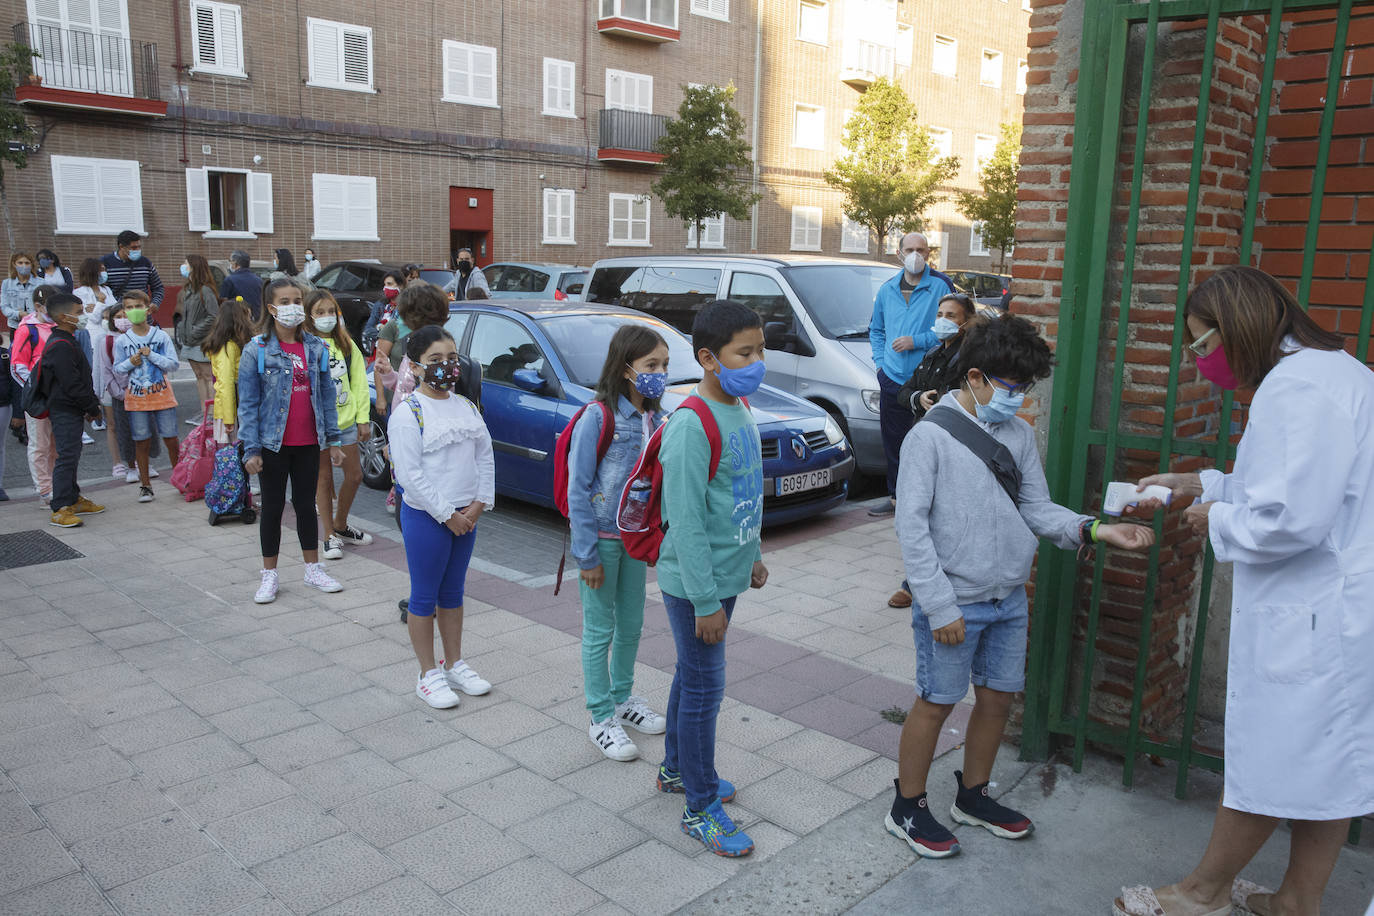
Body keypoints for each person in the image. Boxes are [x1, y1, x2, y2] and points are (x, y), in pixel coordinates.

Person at [1113, 266, 1374, 916]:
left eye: (1204, 346)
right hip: (1340, 612)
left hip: (1314, 614)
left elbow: (1294, 519)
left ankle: (1204, 892)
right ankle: (1297, 901)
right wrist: (1201, 483)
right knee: (1328, 767)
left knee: (1273, 756)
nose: (1200, 362)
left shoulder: (1297, 392)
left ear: (1240, 328)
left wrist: (1216, 518)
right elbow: (1289, 483)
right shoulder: (1334, 373)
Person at [887, 315, 1153, 860]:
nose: (1020, 398)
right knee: (936, 702)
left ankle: (974, 796)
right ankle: (907, 806)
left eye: (1027, 388)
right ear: (978, 377)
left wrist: (1094, 528)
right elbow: (911, 530)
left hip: (1008, 597)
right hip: (953, 600)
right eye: (1013, 387)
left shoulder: (1018, 434)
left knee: (998, 699)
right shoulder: (929, 437)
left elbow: (1034, 506)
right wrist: (938, 606)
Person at [655, 299, 770, 857]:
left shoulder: (739, 407)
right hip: (696, 585)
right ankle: (699, 807)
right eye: (744, 353)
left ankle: (677, 769)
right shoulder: (690, 425)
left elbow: (743, 487)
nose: (756, 360)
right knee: (704, 689)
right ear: (708, 358)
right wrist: (705, 601)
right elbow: (687, 519)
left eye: (759, 349)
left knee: (691, 677)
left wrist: (753, 555)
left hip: (726, 575)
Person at [568, 324, 670, 761]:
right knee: (599, 630)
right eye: (651, 365)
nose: (660, 373)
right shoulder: (598, 416)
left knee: (631, 626)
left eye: (665, 365)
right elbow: (578, 488)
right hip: (602, 543)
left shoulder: (657, 418)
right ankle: (600, 715)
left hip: (635, 542)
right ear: (626, 368)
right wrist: (586, 554)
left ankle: (623, 698)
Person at [389, 324, 494, 708]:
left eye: (452, 359)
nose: (447, 367)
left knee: (453, 593)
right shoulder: (409, 413)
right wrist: (448, 514)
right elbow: (409, 476)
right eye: (435, 360)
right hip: (428, 519)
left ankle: (455, 663)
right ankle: (427, 673)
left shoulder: (465, 406)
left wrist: (479, 504)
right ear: (415, 367)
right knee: (424, 596)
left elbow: (485, 456)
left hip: (467, 517)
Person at [237, 278, 344, 604]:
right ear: (271, 308)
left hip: (308, 443)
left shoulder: (316, 347)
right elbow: (248, 403)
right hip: (272, 444)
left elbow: (326, 396)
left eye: (297, 300)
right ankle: (269, 574)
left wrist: (334, 440)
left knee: (305, 505)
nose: (293, 307)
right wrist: (251, 448)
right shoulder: (256, 349)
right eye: (285, 301)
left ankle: (313, 568)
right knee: (271, 507)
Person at [888, 292, 981, 609]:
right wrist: (920, 399)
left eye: (951, 315)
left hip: (953, 443)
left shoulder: (969, 358)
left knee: (942, 515)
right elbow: (904, 392)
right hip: (922, 441)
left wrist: (941, 401)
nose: (943, 320)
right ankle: (919, 578)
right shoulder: (932, 354)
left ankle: (918, 584)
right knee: (917, 512)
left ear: (966, 322)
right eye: (940, 314)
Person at [868, 232, 954, 517]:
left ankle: (930, 501)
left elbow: (952, 328)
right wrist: (880, 366)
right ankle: (895, 498)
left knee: (930, 442)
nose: (916, 254)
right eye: (910, 249)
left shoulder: (941, 286)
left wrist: (915, 341)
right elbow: (876, 330)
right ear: (899, 253)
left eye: (921, 249)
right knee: (894, 441)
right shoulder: (887, 288)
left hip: (929, 378)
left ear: (929, 253)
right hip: (892, 377)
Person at [303, 289, 373, 560]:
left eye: (331, 311)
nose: (327, 317)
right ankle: (328, 536)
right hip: (318, 425)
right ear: (309, 315)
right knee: (323, 478)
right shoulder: (306, 346)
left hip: (345, 423)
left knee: (355, 475)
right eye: (320, 312)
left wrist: (362, 419)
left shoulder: (346, 344)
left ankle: (341, 525)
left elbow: (359, 383)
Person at [36, 294, 104, 528]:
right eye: (78, 311)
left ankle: (73, 498)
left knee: (72, 453)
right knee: (66, 456)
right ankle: (61, 507)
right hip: (64, 408)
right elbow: (72, 383)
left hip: (72, 407)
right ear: (64, 317)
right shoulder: (60, 346)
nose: (82, 316)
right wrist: (92, 407)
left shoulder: (68, 339)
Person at [113, 290, 180, 502]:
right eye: (129, 308)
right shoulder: (122, 341)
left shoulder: (160, 336)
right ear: (124, 311)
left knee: (171, 439)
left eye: (138, 306)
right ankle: (145, 485)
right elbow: (118, 369)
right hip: (137, 397)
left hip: (162, 395)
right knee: (141, 441)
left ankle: (180, 479)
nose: (134, 311)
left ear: (148, 308)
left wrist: (152, 355)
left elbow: (173, 364)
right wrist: (129, 363)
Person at [11, 286, 58, 501]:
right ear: (38, 306)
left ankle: (60, 485)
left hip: (59, 397)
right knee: (40, 444)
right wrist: (35, 390)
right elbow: (17, 366)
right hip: (38, 399)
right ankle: (45, 490)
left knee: (58, 445)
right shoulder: (26, 330)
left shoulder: (59, 327)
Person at [91, 302, 137, 481]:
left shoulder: (136, 336)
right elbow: (99, 367)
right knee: (113, 425)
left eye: (125, 316)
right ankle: (118, 463)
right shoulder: (104, 340)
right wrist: (97, 391)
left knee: (136, 425)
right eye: (118, 317)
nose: (122, 320)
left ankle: (139, 461)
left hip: (134, 389)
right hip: (111, 389)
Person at [203, 298, 254, 445]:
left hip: (233, 408)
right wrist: (229, 418)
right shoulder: (228, 348)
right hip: (232, 410)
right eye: (247, 317)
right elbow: (226, 383)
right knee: (235, 454)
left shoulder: (230, 345)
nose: (250, 321)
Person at [177, 254, 220, 427]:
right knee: (199, 375)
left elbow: (213, 315)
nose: (183, 266)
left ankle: (212, 412)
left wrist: (196, 330)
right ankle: (204, 411)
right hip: (190, 340)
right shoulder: (189, 290)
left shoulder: (205, 290)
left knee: (208, 376)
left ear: (194, 267)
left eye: (185, 263)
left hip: (202, 340)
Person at [100, 230, 164, 308]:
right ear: (121, 247)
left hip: (141, 312)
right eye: (133, 247)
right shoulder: (105, 263)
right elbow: (98, 288)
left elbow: (158, 287)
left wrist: (155, 303)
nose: (137, 250)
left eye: (139, 247)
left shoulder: (146, 263)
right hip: (118, 313)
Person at [362, 271, 404, 353]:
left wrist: (381, 328)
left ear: (401, 286)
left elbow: (400, 335)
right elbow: (367, 330)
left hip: (397, 353)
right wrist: (380, 329)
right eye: (385, 285)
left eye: (389, 284)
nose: (385, 288)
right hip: (379, 351)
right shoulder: (380, 305)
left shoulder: (407, 306)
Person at [219, 250, 263, 319]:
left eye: (230, 261)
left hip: (237, 321)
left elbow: (224, 304)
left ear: (235, 262)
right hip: (256, 320)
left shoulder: (229, 280)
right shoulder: (258, 280)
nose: (230, 263)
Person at [2, 252, 38, 331]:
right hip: (15, 326)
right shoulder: (6, 283)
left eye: (27, 263)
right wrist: (18, 314)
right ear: (14, 264)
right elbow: (4, 306)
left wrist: (33, 315)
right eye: (20, 263)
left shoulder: (41, 283)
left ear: (31, 265)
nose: (24, 266)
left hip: (36, 325)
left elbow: (46, 304)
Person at [0, 326, 12, 500]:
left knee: (0, 446)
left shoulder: (4, 355)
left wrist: (18, 411)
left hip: (3, 405)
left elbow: (13, 384)